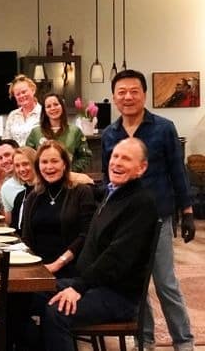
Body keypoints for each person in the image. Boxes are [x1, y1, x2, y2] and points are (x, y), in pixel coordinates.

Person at [101, 69, 195, 351]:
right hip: (125, 221)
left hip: (157, 217)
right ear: (115, 98)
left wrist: (187, 211)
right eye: (122, 92)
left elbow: (178, 171)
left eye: (134, 91)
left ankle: (184, 342)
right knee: (136, 284)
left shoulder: (163, 128)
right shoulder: (110, 133)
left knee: (165, 283)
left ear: (143, 94)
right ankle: (146, 340)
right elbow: (110, 179)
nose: (128, 97)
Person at [41, 138, 159, 351]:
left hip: (118, 296)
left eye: (126, 159)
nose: (117, 163)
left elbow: (116, 258)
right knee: (25, 296)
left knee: (57, 313)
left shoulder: (141, 203)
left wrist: (78, 287)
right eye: (115, 156)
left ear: (142, 168)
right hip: (93, 284)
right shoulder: (111, 192)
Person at [22, 140, 96, 278]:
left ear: (65, 164)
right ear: (38, 166)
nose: (49, 167)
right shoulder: (33, 196)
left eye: (54, 161)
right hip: (37, 269)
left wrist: (57, 264)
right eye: (44, 162)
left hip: (71, 269)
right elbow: (26, 237)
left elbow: (86, 235)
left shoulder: (81, 192)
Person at [26, 93, 92, 172]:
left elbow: (85, 156)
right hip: (43, 179)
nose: (53, 108)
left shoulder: (75, 131)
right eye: (48, 106)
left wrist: (69, 171)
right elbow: (28, 157)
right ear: (44, 111)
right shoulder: (35, 133)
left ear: (62, 107)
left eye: (56, 104)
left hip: (69, 179)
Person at [4, 74, 42, 146]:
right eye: (18, 94)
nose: (21, 96)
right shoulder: (12, 115)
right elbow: (6, 142)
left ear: (33, 90)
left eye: (24, 92)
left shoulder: (43, 113)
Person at [9, 146, 38, 232]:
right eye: (17, 166)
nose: (21, 169)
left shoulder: (45, 193)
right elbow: (14, 227)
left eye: (25, 164)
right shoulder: (20, 196)